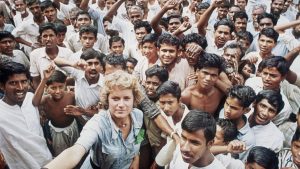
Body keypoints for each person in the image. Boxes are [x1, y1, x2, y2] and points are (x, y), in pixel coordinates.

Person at [44, 70, 144, 169]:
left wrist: (136, 157)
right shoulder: (98, 123)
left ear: (134, 99)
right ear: (107, 99)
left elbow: (139, 135)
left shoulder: (138, 115)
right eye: (115, 99)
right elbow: (76, 150)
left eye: (126, 98)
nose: (121, 105)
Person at [0, 61, 52, 168]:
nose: (20, 87)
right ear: (2, 86)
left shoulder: (30, 97)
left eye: (24, 82)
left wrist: (45, 79)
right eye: (13, 83)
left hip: (45, 160)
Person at [32, 68, 79, 156]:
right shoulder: (46, 99)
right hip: (58, 132)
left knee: (75, 150)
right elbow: (35, 102)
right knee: (62, 155)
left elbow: (78, 111)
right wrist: (44, 80)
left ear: (65, 84)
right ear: (46, 87)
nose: (57, 91)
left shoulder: (71, 96)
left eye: (60, 87)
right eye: (53, 88)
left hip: (73, 127)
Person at [29, 22, 74, 90]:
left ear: (56, 36)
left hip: (64, 91)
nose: (48, 39)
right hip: (46, 92)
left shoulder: (67, 53)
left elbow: (74, 76)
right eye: (45, 36)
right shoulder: (34, 55)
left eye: (51, 35)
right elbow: (36, 80)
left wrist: (59, 84)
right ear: (41, 38)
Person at [220, 85, 256, 161]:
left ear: (246, 110)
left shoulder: (248, 139)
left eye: (234, 108)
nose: (227, 110)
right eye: (226, 104)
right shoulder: (223, 113)